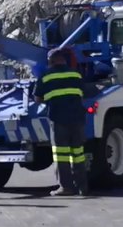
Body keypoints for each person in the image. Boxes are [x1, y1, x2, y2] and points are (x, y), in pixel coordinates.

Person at [33, 48, 89, 197]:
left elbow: (37, 99)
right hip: (77, 119)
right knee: (78, 153)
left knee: (61, 155)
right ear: (64, 60)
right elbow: (83, 95)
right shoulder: (76, 74)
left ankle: (66, 187)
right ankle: (82, 187)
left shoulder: (46, 77)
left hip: (58, 119)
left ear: (50, 61)